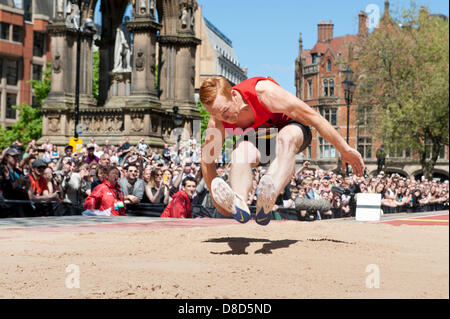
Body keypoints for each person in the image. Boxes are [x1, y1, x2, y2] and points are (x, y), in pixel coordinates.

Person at [199, 76, 364, 225]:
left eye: (225, 111)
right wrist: (217, 199)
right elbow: (207, 161)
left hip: (293, 131)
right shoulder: (218, 122)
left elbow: (315, 118)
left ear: (234, 95)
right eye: (216, 115)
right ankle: (239, 201)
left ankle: (269, 195)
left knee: (285, 138)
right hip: (262, 139)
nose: (224, 118)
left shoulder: (265, 92)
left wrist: (345, 149)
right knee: (239, 152)